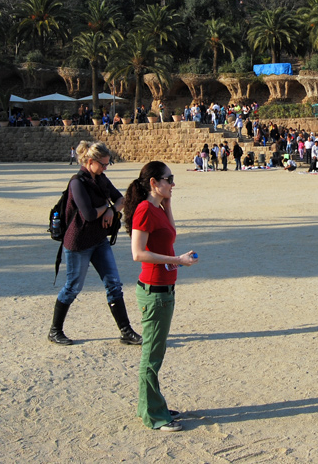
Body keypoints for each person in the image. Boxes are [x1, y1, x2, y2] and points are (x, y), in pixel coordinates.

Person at [124, 161, 198, 433]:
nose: (173, 183)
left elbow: (171, 232)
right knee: (152, 355)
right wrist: (177, 259)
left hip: (164, 290)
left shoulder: (156, 208)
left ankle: (150, 405)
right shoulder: (144, 210)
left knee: (156, 352)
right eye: (169, 179)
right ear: (154, 182)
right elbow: (138, 253)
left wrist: (167, 204)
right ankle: (154, 415)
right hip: (154, 291)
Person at [48, 141, 141, 347]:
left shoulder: (100, 178)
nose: (105, 168)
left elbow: (120, 200)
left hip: (99, 240)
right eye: (103, 164)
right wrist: (105, 207)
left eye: (107, 164)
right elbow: (88, 214)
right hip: (78, 242)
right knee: (73, 287)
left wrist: (110, 210)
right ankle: (55, 331)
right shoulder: (77, 183)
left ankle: (125, 331)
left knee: (114, 284)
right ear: (90, 162)